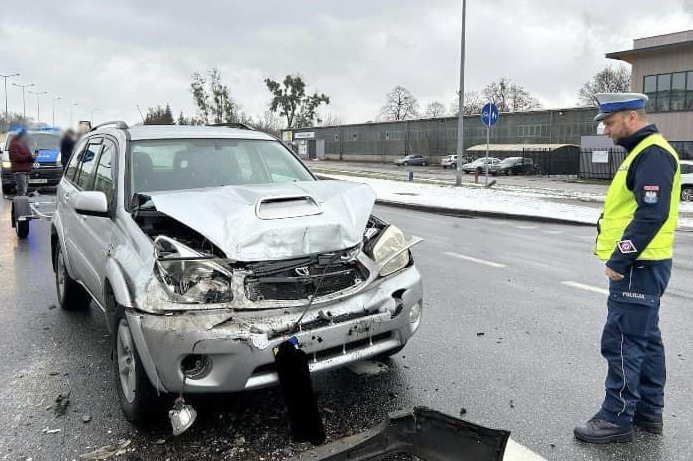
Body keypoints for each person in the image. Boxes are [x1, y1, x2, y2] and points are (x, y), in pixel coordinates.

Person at [574, 93, 681, 444]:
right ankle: (648, 414)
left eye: (609, 122)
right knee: (646, 339)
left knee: (622, 340)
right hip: (646, 263)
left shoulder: (652, 153)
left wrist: (621, 258)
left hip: (637, 265)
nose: (605, 130)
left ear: (631, 117)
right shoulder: (643, 151)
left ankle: (615, 417)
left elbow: (652, 213)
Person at [8, 129, 35, 196]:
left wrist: (32, 158)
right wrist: (29, 156)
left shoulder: (23, 144)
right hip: (19, 171)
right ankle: (20, 205)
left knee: (24, 190)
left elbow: (27, 156)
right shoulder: (14, 144)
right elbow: (17, 157)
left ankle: (22, 203)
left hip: (26, 171)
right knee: (22, 191)